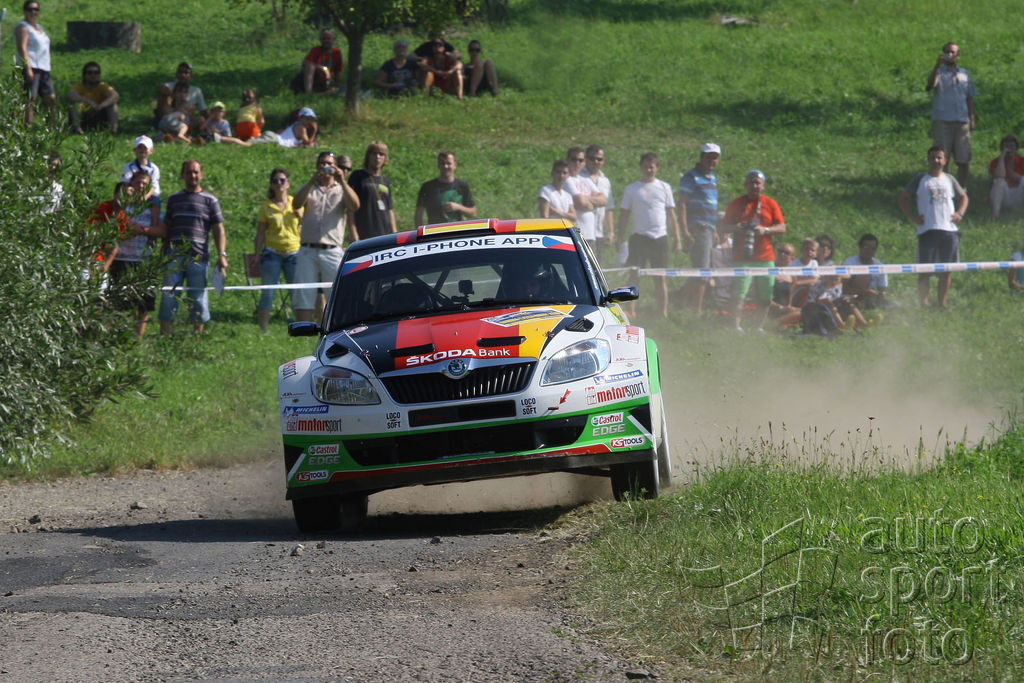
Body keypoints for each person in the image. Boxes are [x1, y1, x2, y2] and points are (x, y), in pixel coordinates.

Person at [158, 160, 228, 335]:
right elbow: (167, 226)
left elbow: (218, 229)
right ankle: (165, 337)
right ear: (182, 175)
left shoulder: (210, 200)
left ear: (201, 175)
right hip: (174, 256)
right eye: (189, 172)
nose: (193, 176)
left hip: (199, 257)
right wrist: (162, 251)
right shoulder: (174, 199)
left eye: (196, 172)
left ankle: (196, 338)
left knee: (198, 298)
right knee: (168, 296)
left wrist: (222, 254)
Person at [293, 152, 360, 323]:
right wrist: (311, 181)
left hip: (332, 250)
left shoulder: (341, 189)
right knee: (303, 295)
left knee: (336, 296)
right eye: (322, 163)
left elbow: (355, 205)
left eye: (329, 164)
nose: (326, 167)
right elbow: (296, 204)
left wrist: (342, 180)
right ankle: (304, 333)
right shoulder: (309, 187)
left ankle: (336, 331)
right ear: (317, 166)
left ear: (336, 167)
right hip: (307, 250)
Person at [899, 146, 968, 309]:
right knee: (925, 270)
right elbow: (903, 198)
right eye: (933, 157)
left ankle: (941, 304)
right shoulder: (920, 178)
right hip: (927, 230)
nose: (936, 160)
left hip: (949, 230)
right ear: (928, 160)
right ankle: (924, 304)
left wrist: (960, 213)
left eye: (939, 157)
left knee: (946, 270)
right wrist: (912, 217)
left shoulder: (950, 179)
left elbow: (964, 197)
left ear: (945, 160)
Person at [617, 152, 681, 319]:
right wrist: (620, 238)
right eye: (646, 166)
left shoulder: (664, 187)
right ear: (641, 167)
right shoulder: (631, 189)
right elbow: (624, 215)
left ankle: (662, 313)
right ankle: (631, 311)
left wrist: (677, 238)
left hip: (660, 238)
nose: (649, 170)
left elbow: (671, 215)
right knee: (634, 276)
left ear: (657, 168)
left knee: (660, 277)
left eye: (652, 167)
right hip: (639, 238)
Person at [723, 169, 786, 331]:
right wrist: (736, 227)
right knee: (739, 294)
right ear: (746, 184)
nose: (754, 186)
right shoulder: (736, 203)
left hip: (765, 257)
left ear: (763, 186)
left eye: (758, 183)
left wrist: (766, 230)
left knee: (766, 295)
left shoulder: (770, 204)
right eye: (751, 182)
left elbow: (782, 227)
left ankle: (759, 327)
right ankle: (735, 327)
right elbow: (722, 227)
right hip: (742, 257)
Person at [108, 171, 163, 339]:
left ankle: (138, 338)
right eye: (138, 182)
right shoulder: (123, 206)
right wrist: (127, 228)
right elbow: (112, 227)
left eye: (144, 184)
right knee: (118, 303)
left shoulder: (153, 209)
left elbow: (162, 231)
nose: (140, 186)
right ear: (131, 184)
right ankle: (117, 335)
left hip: (143, 260)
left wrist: (143, 230)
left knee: (143, 305)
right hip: (121, 258)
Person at [253, 168, 301, 332]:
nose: (279, 183)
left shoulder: (297, 203)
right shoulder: (266, 206)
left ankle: (301, 329)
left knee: (296, 293)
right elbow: (260, 233)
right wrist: (257, 254)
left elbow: (307, 226)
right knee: (268, 293)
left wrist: (300, 215)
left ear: (288, 184)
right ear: (271, 185)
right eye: (275, 181)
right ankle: (263, 330)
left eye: (282, 180)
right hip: (272, 253)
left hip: (294, 253)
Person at [677, 142, 721, 314]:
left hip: (708, 229)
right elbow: (682, 204)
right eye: (709, 157)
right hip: (698, 228)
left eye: (715, 158)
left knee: (700, 268)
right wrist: (685, 231)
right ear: (702, 157)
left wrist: (714, 229)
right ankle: (697, 310)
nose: (712, 161)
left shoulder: (712, 177)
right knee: (703, 270)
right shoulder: (691, 177)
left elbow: (709, 208)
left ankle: (681, 301)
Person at [926, 42, 976, 187]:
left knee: (964, 159)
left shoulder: (964, 74)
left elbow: (969, 97)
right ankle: (942, 187)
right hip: (943, 121)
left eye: (953, 52)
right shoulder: (938, 72)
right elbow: (930, 85)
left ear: (958, 56)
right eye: (947, 52)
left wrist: (971, 118)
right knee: (941, 158)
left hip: (962, 122)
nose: (949, 54)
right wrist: (937, 65)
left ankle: (962, 190)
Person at [14, 1, 55, 125]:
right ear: (25, 11)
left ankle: (53, 127)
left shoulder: (39, 28)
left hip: (44, 68)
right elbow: (22, 48)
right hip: (32, 67)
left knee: (50, 97)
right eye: (30, 9)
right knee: (30, 98)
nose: (33, 12)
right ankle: (27, 126)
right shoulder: (23, 27)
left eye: (36, 9)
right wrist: (28, 68)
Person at [348, 141, 397, 238]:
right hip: (364, 233)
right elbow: (350, 207)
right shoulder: (357, 176)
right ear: (368, 156)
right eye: (374, 153)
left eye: (381, 154)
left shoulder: (385, 180)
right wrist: (353, 231)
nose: (377, 157)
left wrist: (395, 233)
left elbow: (390, 209)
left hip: (384, 234)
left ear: (385, 158)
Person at [564, 147, 608, 254]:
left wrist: (585, 199)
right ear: (567, 160)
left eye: (581, 160)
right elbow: (581, 203)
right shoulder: (566, 179)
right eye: (574, 159)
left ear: (584, 162)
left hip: (590, 234)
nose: (577, 163)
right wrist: (591, 201)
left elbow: (603, 200)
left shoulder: (585, 179)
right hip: (575, 233)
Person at [414, 151, 476, 225]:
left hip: (457, 230)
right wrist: (420, 231)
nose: (445, 166)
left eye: (448, 163)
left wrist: (458, 207)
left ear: (455, 165)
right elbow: (419, 213)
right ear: (438, 165)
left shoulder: (463, 186)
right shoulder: (427, 187)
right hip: (435, 230)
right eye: (442, 163)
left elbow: (473, 213)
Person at [842, 233, 896, 310]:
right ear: (860, 247)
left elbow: (882, 290)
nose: (869, 251)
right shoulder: (849, 263)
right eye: (866, 247)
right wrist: (863, 292)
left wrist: (880, 298)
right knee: (863, 276)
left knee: (896, 306)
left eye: (873, 248)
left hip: (873, 298)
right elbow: (843, 288)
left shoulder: (880, 266)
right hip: (853, 298)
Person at [580, 145, 614, 263]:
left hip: (598, 233)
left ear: (603, 160)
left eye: (599, 159)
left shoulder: (605, 181)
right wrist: (596, 200)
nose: (596, 162)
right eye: (592, 158)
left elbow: (608, 208)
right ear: (586, 159)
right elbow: (578, 201)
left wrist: (610, 232)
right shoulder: (579, 177)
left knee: (597, 267)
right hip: (582, 231)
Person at [68, 61, 119, 134]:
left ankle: (113, 130)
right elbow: (71, 95)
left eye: (96, 72)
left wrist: (100, 106)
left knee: (113, 105)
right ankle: (78, 129)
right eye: (90, 73)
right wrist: (89, 102)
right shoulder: (80, 86)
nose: (93, 75)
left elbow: (115, 95)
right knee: (75, 106)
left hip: (100, 113)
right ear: (84, 75)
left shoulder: (102, 86)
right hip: (84, 115)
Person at [293, 29, 343, 95]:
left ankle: (323, 93)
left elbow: (338, 72)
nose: (326, 41)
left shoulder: (336, 52)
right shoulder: (316, 50)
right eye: (324, 38)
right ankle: (308, 93)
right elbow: (305, 62)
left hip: (324, 82)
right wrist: (323, 69)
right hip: (312, 79)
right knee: (310, 66)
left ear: (334, 40)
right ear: (321, 40)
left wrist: (338, 86)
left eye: (328, 38)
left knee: (337, 90)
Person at [988, 134, 1024, 219]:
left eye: (1011, 146)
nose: (1009, 149)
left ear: (1016, 148)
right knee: (999, 181)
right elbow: (998, 175)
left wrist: (1015, 176)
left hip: (1019, 195)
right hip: (1003, 196)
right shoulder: (996, 162)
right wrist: (1002, 157)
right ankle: (996, 214)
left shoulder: (1022, 161)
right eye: (1006, 146)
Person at [120, 135, 161, 200]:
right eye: (139, 147)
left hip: (149, 195)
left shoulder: (154, 169)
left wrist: (144, 197)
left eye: (145, 148)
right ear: (135, 150)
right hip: (133, 194)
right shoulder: (129, 166)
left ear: (151, 151)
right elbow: (125, 183)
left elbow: (153, 186)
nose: (142, 150)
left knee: (155, 200)